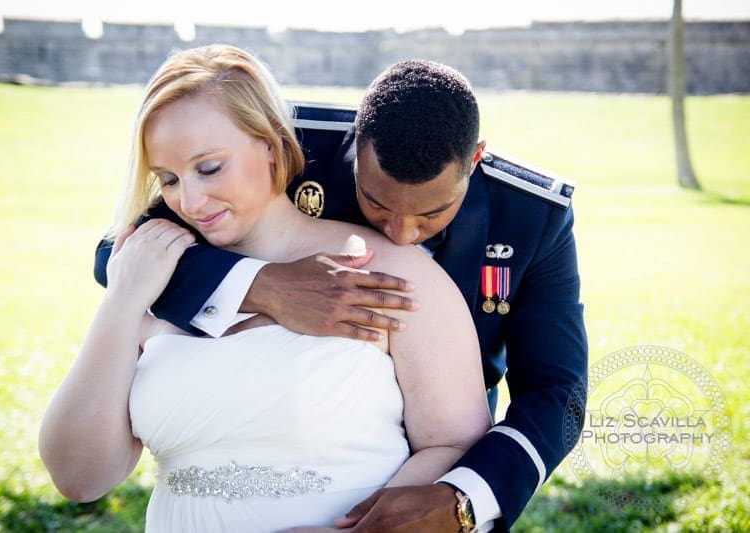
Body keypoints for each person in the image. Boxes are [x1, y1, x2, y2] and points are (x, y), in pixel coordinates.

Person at [94, 57, 589, 531]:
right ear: (356, 141)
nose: (399, 235)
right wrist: (261, 286)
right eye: (376, 203)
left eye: (430, 215)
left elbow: (557, 394)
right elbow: (117, 252)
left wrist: (461, 499)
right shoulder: (296, 146)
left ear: (474, 159)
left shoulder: (533, 217)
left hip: (448, 446)